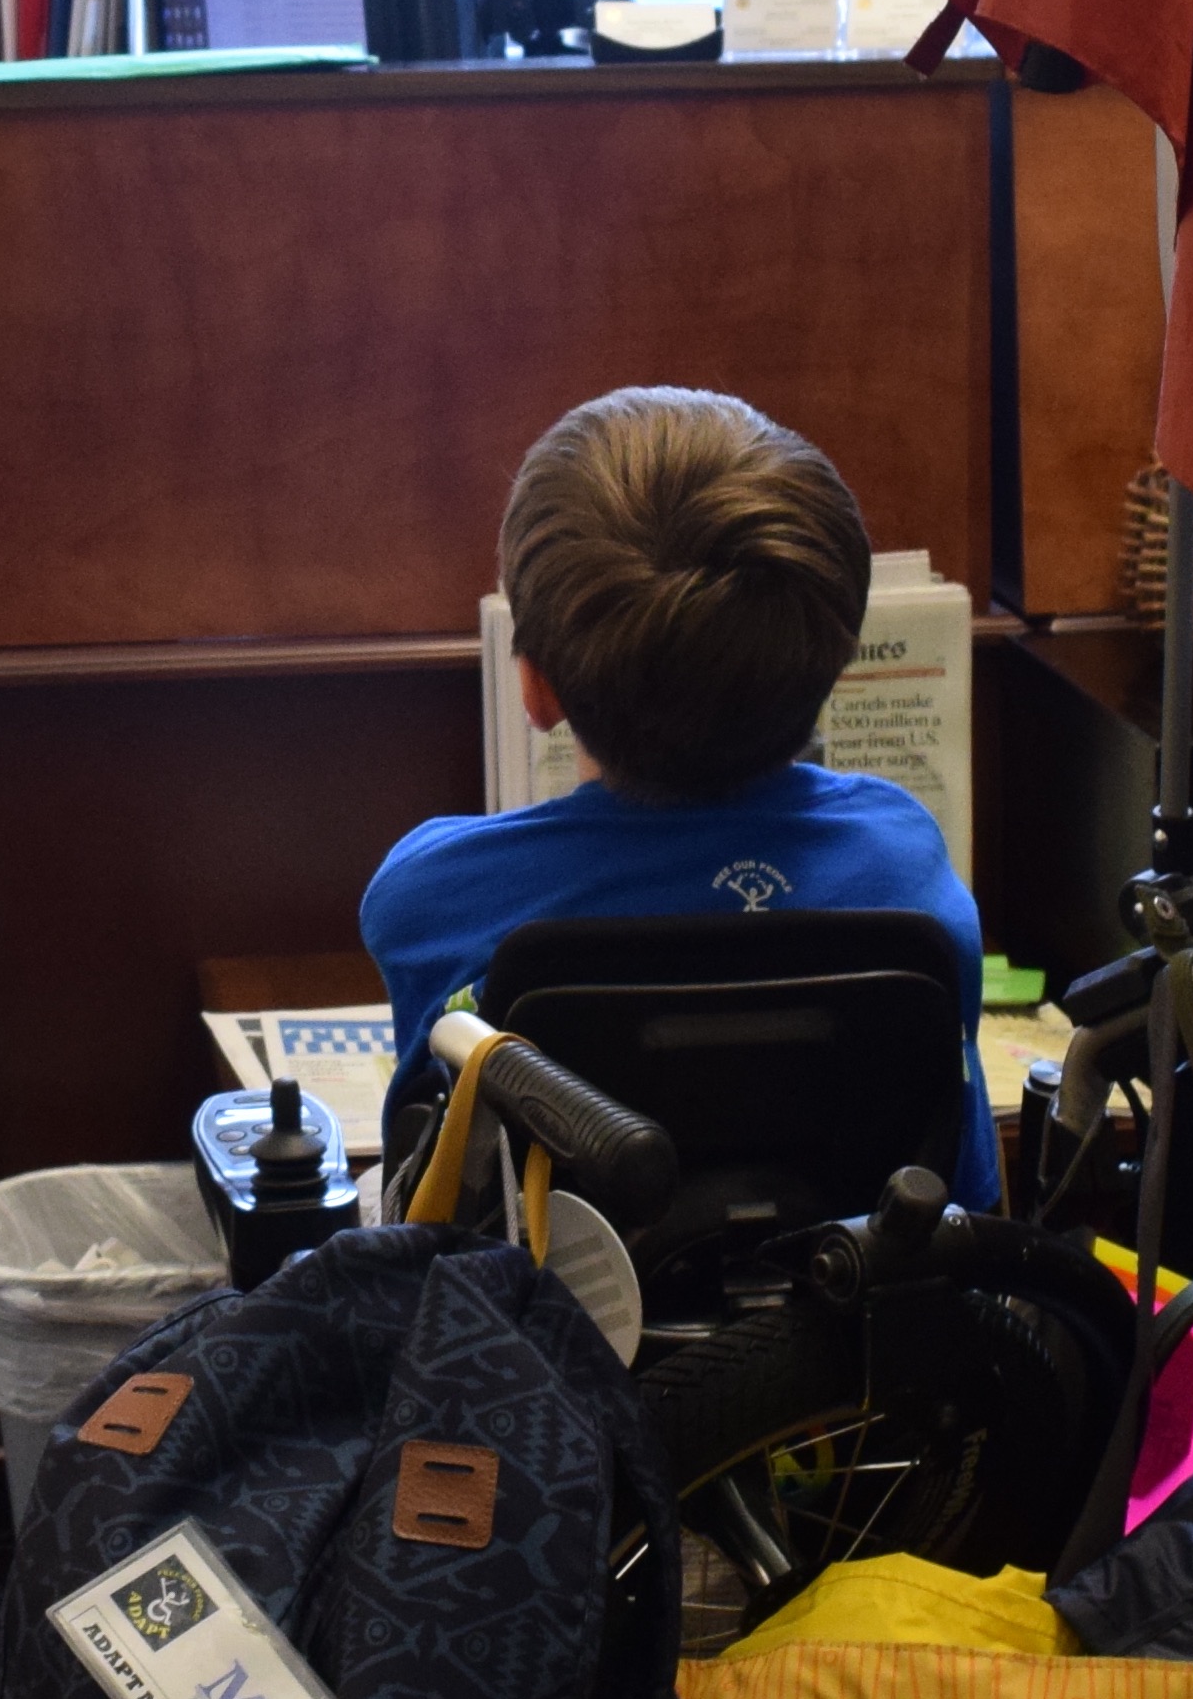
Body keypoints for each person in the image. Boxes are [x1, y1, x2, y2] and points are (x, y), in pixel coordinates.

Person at [361, 385, 998, 1196]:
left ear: (536, 690)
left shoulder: (431, 892)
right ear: (832, 669)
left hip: (553, 1284)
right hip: (867, 1279)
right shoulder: (902, 860)